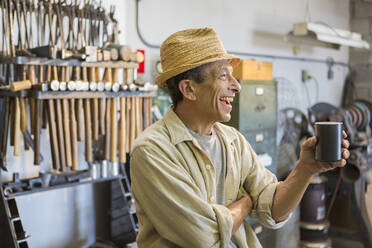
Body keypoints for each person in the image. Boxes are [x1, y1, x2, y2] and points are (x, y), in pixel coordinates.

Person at [130, 27, 350, 248]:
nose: (236, 86)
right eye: (223, 76)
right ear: (188, 89)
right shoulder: (152, 151)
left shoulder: (233, 141)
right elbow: (204, 238)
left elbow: (273, 209)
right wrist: (245, 204)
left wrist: (305, 169)